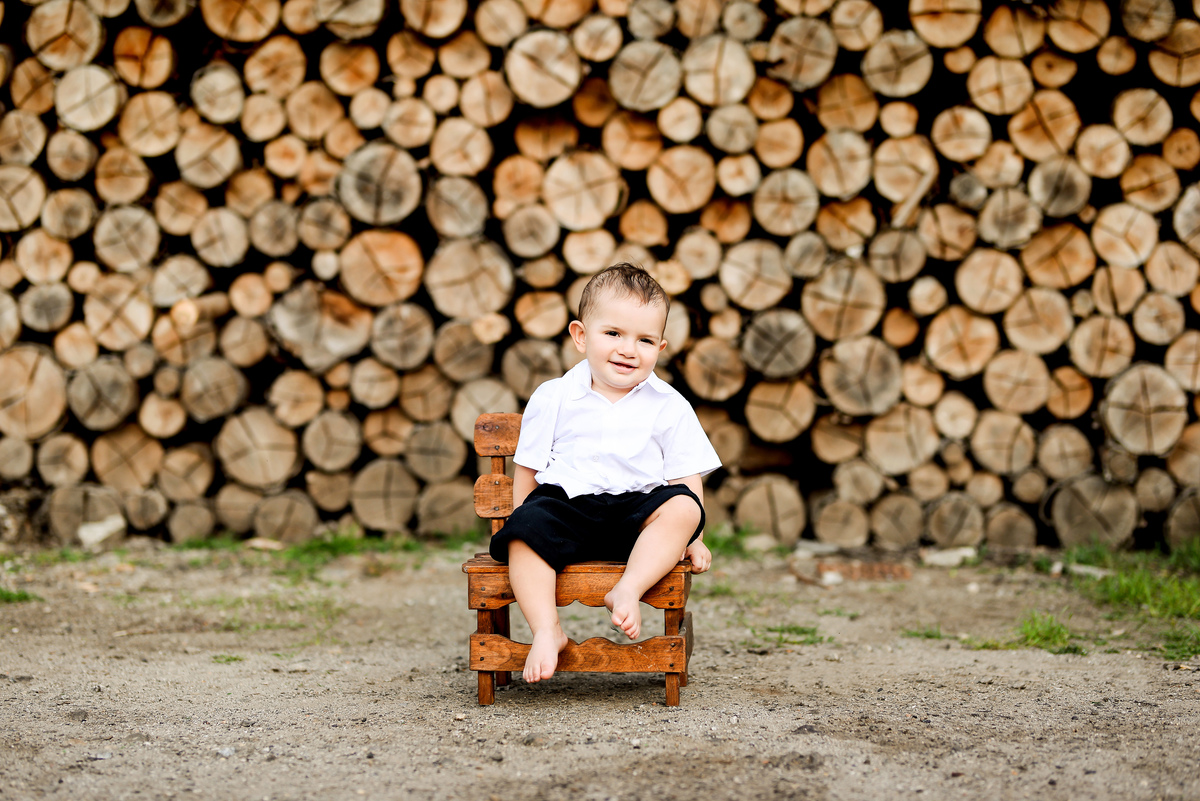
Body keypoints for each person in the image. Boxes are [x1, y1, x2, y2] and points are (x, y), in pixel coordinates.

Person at [489, 263, 721, 684]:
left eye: (644, 340)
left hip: (636, 516)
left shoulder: (669, 404)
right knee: (522, 533)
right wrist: (523, 521)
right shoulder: (554, 396)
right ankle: (547, 630)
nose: (628, 349)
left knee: (685, 508)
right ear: (581, 336)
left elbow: (687, 477)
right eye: (613, 333)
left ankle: (628, 588)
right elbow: (529, 468)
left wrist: (695, 537)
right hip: (567, 510)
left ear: (660, 347)